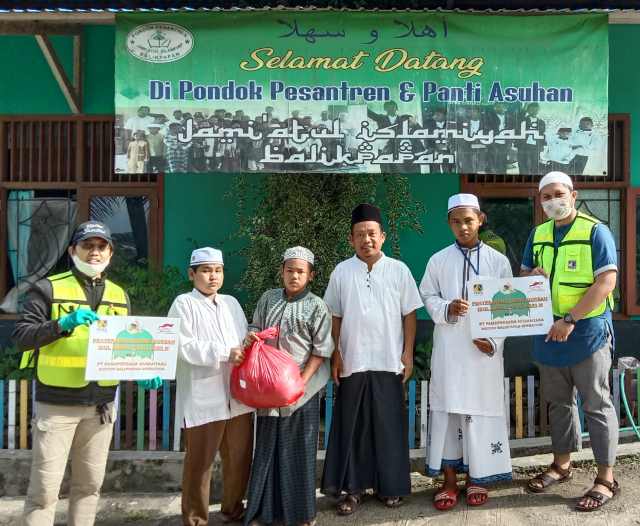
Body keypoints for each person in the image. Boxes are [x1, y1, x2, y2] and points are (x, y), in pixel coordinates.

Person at [12, 221, 139, 526]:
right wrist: (62, 325)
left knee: (89, 487)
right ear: (72, 251)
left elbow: (127, 344)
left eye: (101, 246)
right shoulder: (48, 288)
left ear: (110, 252)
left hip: (100, 409)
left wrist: (142, 368)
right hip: (56, 407)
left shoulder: (119, 295)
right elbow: (22, 336)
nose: (95, 252)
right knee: (44, 491)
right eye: (87, 245)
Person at [521, 171, 619, 511]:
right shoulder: (538, 234)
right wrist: (530, 276)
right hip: (548, 332)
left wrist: (570, 319)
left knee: (596, 403)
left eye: (558, 194)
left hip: (586, 331)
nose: (552, 201)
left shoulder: (596, 230)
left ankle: (606, 478)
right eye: (545, 196)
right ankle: (562, 466)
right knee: (558, 403)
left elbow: (606, 283)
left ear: (573, 195)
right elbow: (524, 274)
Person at [321, 203, 423, 515]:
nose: (367, 239)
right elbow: (334, 316)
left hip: (388, 360)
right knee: (352, 427)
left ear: (383, 237)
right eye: (360, 235)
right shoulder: (341, 271)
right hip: (353, 361)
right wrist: (336, 355)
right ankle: (352, 490)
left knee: (389, 426)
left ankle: (390, 488)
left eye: (372, 234)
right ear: (351, 240)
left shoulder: (399, 270)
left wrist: (407, 353)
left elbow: (410, 315)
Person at [419, 194, 513, 511]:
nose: (463, 226)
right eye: (456, 221)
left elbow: (508, 307)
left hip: (483, 354)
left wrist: (495, 342)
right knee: (449, 409)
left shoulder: (498, 262)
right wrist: (447, 307)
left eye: (468, 220)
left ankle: (477, 477)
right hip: (449, 350)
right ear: (449, 223)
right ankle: (448, 481)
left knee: (479, 412)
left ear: (481, 219)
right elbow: (427, 296)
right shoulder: (438, 260)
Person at [243, 246, 333, 526]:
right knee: (268, 448)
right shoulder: (268, 299)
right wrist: (252, 338)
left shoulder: (317, 305)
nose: (294, 276)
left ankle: (301, 515)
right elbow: (254, 328)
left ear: (311, 275)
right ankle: (263, 512)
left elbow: (321, 350)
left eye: (300, 272)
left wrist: (299, 384)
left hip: (301, 392)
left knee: (299, 452)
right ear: (282, 271)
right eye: (290, 270)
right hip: (268, 390)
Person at [168, 247, 254, 525]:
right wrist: (224, 352)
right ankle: (195, 518)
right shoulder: (184, 304)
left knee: (239, 458)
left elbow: (240, 341)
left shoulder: (232, 303)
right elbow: (183, 346)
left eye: (217, 270)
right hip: (203, 397)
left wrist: (248, 344)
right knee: (200, 463)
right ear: (192, 274)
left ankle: (232, 510)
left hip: (237, 396)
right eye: (206, 270)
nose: (212, 276)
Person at [516, 103, 546, 174]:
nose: (534, 111)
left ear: (538, 110)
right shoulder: (522, 120)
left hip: (535, 147)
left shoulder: (541, 122)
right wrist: (524, 110)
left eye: (536, 109)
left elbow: (542, 135)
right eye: (532, 109)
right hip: (523, 146)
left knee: (535, 165)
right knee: (523, 165)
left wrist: (541, 147)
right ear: (528, 110)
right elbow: (518, 117)